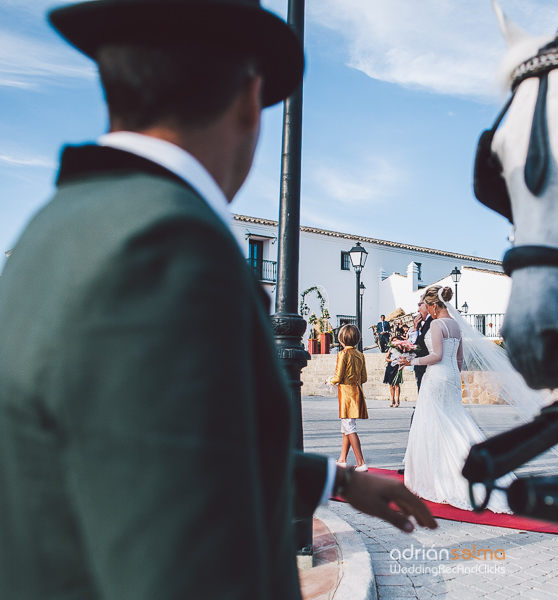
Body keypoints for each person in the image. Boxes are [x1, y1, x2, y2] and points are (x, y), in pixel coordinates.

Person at [0, 2, 436, 598]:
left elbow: (174, 447)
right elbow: (176, 544)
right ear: (249, 99)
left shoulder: (55, 226)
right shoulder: (169, 242)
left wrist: (338, 481)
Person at [398, 286, 514, 513]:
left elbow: (436, 356)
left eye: (427, 306)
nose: (427, 310)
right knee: (453, 421)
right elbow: (459, 358)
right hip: (451, 377)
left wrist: (410, 362)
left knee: (432, 425)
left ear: (433, 305)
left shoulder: (436, 324)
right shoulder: (456, 324)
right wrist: (453, 378)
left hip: (436, 377)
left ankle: (438, 477)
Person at [330, 325, 369, 471]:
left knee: (349, 426)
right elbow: (363, 378)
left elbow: (338, 377)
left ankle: (361, 462)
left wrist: (329, 381)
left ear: (341, 340)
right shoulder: (360, 355)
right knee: (346, 426)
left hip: (346, 394)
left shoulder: (342, 354)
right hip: (357, 392)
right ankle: (342, 459)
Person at [411, 299, 432, 390]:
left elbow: (420, 348)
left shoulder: (432, 322)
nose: (418, 310)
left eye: (420, 305)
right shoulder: (425, 324)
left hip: (426, 371)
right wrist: (416, 329)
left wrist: (411, 362)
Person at [384, 333, 404, 407]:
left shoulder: (401, 349)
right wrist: (390, 360)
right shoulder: (390, 349)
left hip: (397, 366)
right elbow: (386, 358)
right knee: (391, 385)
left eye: (396, 340)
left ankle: (397, 401)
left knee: (396, 384)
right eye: (393, 341)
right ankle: (392, 400)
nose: (394, 342)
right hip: (390, 366)